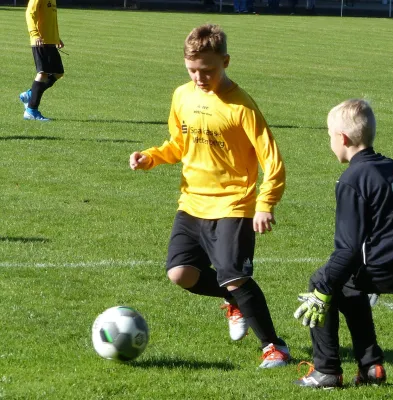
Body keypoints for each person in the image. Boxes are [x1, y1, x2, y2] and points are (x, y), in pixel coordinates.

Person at [129, 24, 290, 369]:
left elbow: (273, 161)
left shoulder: (242, 106)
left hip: (234, 202)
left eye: (209, 70)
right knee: (180, 274)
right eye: (193, 70)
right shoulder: (182, 96)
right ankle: (233, 302)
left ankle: (275, 346)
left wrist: (265, 204)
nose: (200, 77)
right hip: (192, 201)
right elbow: (179, 143)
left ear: (226, 62)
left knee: (234, 274)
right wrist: (151, 157)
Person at [293, 99, 393, 388]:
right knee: (346, 285)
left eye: (329, 135)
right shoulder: (389, 165)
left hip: (391, 266)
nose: (329, 141)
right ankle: (371, 368)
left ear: (342, 138)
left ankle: (326, 371)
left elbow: (348, 249)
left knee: (323, 280)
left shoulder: (353, 179)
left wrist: (322, 291)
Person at [19, 0, 65, 121]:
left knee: (58, 73)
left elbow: (49, 20)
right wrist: (34, 34)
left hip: (50, 41)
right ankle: (31, 111)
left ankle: (30, 94)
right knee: (43, 73)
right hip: (40, 41)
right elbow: (30, 13)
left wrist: (56, 38)